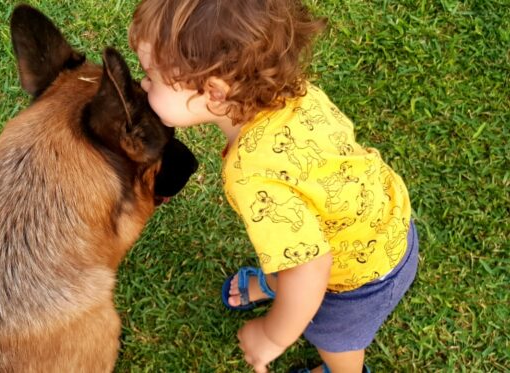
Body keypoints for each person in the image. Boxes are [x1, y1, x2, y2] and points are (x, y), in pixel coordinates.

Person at [128, 1, 419, 372]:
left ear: (214, 92)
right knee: (291, 251)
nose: (143, 84)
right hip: (385, 214)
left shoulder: (253, 174)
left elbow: (311, 267)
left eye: (151, 75)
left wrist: (272, 336)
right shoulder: (295, 94)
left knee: (332, 336)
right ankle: (275, 283)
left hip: (360, 277)